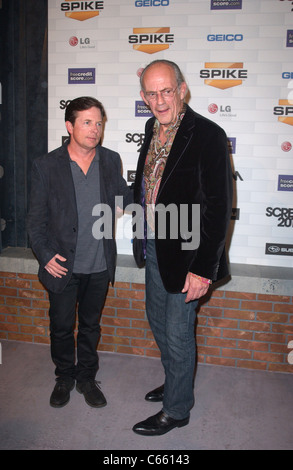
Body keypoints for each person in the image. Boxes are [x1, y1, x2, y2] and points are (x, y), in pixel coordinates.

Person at [132, 60, 233, 436]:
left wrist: (204, 268)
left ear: (183, 89)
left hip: (188, 254)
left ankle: (177, 410)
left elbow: (218, 206)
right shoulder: (151, 127)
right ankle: (176, 378)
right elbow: (149, 183)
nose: (160, 100)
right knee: (158, 322)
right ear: (143, 97)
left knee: (178, 332)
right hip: (156, 246)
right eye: (152, 93)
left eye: (167, 91)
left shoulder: (207, 134)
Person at [27, 96, 132, 408]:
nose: (94, 129)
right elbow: (35, 222)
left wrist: (157, 200)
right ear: (69, 126)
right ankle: (64, 376)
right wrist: (45, 256)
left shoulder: (111, 160)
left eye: (98, 123)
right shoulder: (46, 166)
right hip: (62, 265)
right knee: (60, 326)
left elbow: (125, 199)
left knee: (90, 326)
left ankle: (86, 377)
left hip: (99, 264)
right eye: (87, 122)